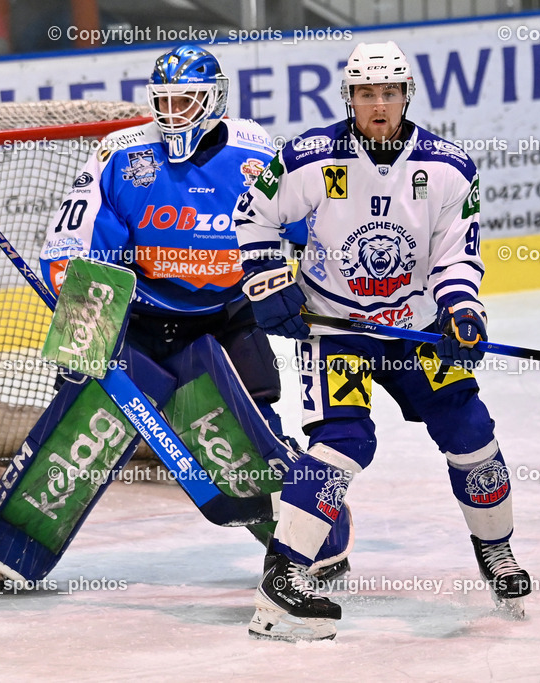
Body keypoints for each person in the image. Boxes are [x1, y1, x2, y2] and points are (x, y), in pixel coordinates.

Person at [233, 41, 530, 641]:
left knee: (469, 429)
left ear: (406, 96)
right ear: (349, 98)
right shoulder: (310, 157)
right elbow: (253, 212)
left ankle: (495, 549)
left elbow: (455, 254)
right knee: (344, 441)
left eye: (389, 93)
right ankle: (284, 575)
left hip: (415, 331)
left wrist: (461, 311)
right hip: (336, 328)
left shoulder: (449, 168)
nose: (378, 105)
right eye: (366, 93)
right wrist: (266, 280)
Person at [28, 44, 350, 577]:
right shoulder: (122, 155)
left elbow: (309, 229)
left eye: (186, 101)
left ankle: (304, 540)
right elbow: (75, 240)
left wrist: (320, 284)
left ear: (215, 100)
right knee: (82, 423)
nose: (172, 113)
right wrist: (81, 311)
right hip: (140, 317)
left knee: (254, 430)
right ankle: (20, 531)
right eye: (164, 101)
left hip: (228, 312)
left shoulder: (255, 153)